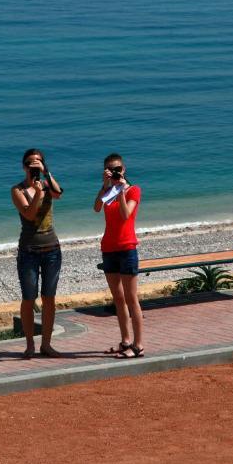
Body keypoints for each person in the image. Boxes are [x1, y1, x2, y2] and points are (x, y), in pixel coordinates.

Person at [11, 148, 63, 358]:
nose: (34, 165)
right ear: (24, 166)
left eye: (38, 162)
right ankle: (30, 344)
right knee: (29, 298)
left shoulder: (48, 183)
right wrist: (38, 192)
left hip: (52, 249)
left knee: (49, 298)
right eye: (31, 163)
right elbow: (30, 215)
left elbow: (58, 194)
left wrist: (47, 173)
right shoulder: (18, 190)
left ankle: (47, 344)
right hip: (29, 251)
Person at [93, 152, 144, 358]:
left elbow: (125, 215)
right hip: (109, 248)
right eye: (110, 169)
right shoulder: (108, 192)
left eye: (118, 169)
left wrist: (121, 191)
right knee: (118, 298)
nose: (115, 172)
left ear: (124, 170)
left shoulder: (133, 190)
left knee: (132, 298)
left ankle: (138, 345)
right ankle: (125, 341)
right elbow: (96, 208)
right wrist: (105, 186)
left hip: (127, 247)